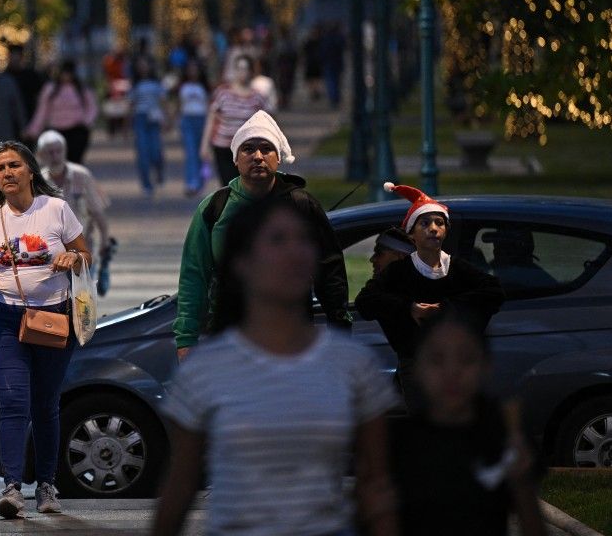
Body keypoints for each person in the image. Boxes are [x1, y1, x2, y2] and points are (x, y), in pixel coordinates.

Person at [151, 196, 399, 536]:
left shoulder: (352, 363)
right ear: (242, 262)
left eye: (304, 240)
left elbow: (375, 484)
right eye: (278, 240)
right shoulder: (207, 369)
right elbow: (180, 484)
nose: (295, 253)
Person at [0, 141, 91, 519]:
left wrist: (73, 257)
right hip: (6, 320)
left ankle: (47, 485)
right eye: (0, 168)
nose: (7, 173)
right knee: (13, 401)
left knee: (45, 405)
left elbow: (85, 254)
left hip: (54, 319)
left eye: (14, 166)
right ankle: (11, 488)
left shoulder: (55, 209)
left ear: (30, 171)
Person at [176, 110, 351, 359]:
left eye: (266, 149)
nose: (258, 156)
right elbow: (194, 276)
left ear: (278, 158)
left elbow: (330, 271)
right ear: (235, 159)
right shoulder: (215, 207)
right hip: (229, 341)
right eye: (248, 149)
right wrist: (186, 339)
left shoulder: (301, 205)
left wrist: (340, 331)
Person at [390, 311, 545, 536]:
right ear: (416, 369)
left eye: (466, 359)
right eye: (437, 360)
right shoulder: (401, 443)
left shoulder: (503, 435)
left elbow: (532, 524)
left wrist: (522, 484)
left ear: (486, 365)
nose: (452, 372)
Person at [355, 183, 505, 392]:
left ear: (446, 231)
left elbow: (494, 293)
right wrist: (410, 308)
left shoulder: (457, 268)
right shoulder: (398, 271)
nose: (433, 228)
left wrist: (446, 309)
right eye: (425, 223)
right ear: (412, 234)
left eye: (439, 223)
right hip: (414, 365)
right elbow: (365, 302)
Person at [36, 129, 113, 295]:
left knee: (82, 300)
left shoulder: (81, 176)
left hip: (82, 252)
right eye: (50, 152)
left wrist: (104, 244)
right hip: (51, 256)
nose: (55, 156)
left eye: (58, 151)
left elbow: (98, 213)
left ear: (65, 151)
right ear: (41, 155)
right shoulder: (37, 182)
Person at [200, 54, 268, 186]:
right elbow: (211, 119)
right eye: (239, 69)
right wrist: (204, 145)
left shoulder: (257, 97)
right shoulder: (223, 93)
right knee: (228, 185)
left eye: (246, 69)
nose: (242, 72)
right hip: (223, 147)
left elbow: (266, 122)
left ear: (251, 72)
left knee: (246, 185)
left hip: (247, 149)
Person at [24, 60, 98, 163]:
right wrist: (33, 130)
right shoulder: (50, 89)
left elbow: (92, 107)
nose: (66, 76)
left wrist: (86, 122)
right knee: (57, 161)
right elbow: (42, 111)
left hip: (76, 130)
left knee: (75, 160)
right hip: (56, 129)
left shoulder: (81, 90)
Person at [127, 56, 165, 196]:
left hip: (154, 119)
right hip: (140, 118)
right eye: (140, 65)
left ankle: (159, 169)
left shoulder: (156, 83)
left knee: (156, 150)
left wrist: (167, 118)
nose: (143, 67)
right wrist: (127, 124)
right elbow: (130, 104)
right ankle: (146, 184)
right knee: (142, 152)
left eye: (145, 64)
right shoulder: (135, 85)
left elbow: (163, 101)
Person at [176, 60, 210, 197]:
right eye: (190, 69)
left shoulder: (204, 87)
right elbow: (179, 105)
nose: (193, 72)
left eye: (195, 69)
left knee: (201, 153)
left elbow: (209, 106)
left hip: (201, 120)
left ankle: (201, 182)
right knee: (190, 153)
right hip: (187, 120)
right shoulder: (183, 87)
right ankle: (191, 182)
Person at [4, 43, 46, 124]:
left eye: (17, 55)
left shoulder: (31, 76)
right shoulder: (4, 77)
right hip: (8, 120)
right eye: (13, 55)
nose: (15, 59)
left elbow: (39, 97)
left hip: (29, 117)